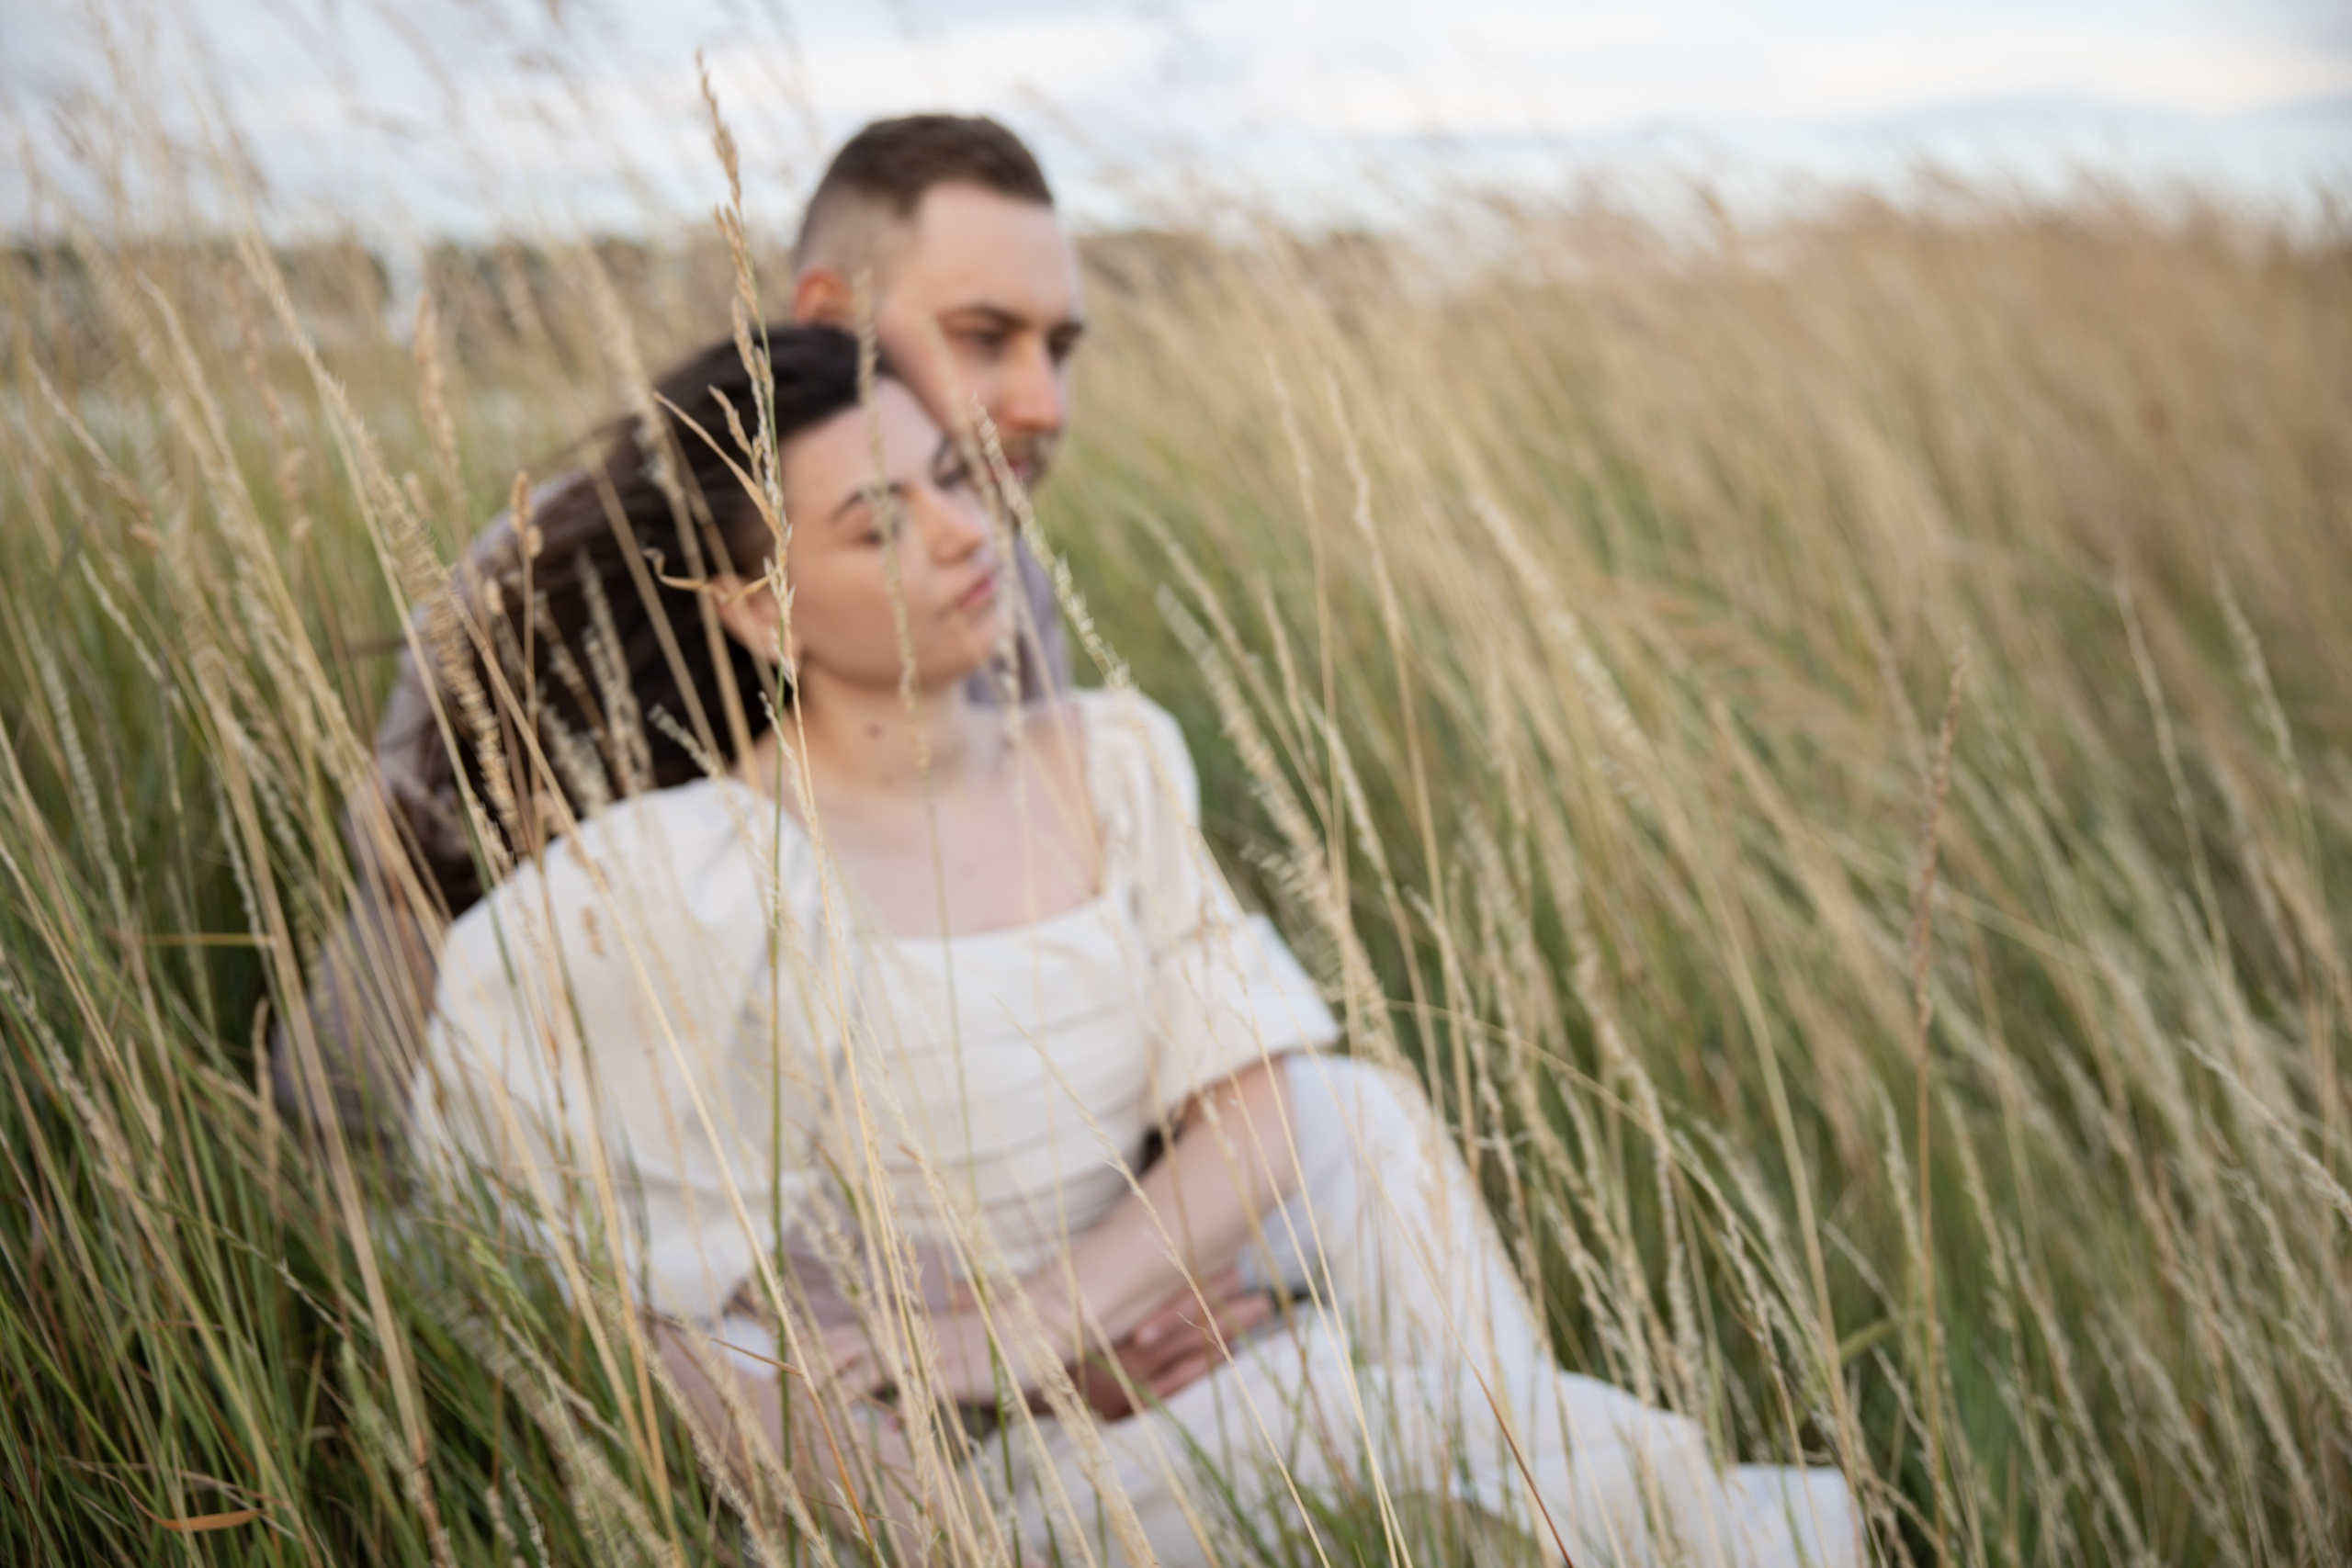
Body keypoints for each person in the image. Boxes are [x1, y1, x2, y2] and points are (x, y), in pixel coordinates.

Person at [411, 323, 1862, 1566]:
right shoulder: (690, 882)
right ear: (753, 608)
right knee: (1417, 1427)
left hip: (1141, 1314)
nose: (972, 530)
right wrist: (986, 1387)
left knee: (1359, 1117)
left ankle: (1526, 1472)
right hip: (986, 1481)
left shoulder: (1109, 759)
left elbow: (1257, 1100)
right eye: (880, 520)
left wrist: (1032, 1323)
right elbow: (650, 1311)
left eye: (954, 475)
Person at [277, 113, 1084, 1132]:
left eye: (1059, 348)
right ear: (832, 316)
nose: (1043, 402)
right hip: (456, 1152)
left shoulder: (994, 570)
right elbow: (436, 926)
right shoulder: (560, 568)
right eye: (985, 337)